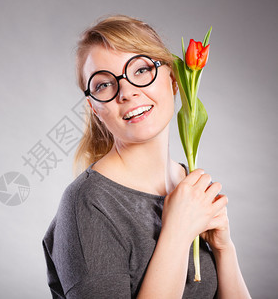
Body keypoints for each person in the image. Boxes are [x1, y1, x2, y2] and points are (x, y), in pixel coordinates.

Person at [42, 15, 251, 299]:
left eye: (140, 70)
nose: (126, 92)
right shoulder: (88, 204)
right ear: (94, 108)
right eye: (104, 85)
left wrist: (224, 249)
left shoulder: (186, 182)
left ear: (173, 78)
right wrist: (177, 230)